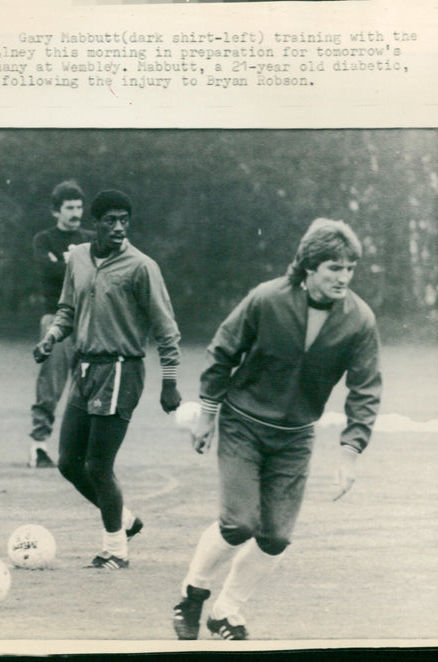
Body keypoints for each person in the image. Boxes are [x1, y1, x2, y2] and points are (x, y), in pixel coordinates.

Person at [172, 218, 382, 640]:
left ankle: (226, 611)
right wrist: (207, 415)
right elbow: (222, 351)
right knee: (238, 524)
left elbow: (365, 389)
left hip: (296, 436)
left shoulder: (359, 320)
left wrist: (350, 451)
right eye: (333, 268)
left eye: (349, 269)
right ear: (309, 266)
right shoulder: (267, 299)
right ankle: (192, 595)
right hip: (242, 425)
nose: (343, 277)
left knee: (276, 537)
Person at [33, 189, 183, 568]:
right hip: (84, 368)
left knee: (98, 465)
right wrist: (51, 338)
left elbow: (166, 329)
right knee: (69, 463)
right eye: (110, 220)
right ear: (95, 224)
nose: (118, 228)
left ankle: (115, 550)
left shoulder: (141, 267)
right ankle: (126, 520)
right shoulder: (79, 258)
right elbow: (67, 307)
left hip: (121, 369)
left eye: (124, 220)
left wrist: (170, 381)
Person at [29, 180, 94, 468]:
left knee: (90, 384)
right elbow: (51, 273)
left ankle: (83, 449)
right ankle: (39, 446)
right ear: (56, 211)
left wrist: (67, 267)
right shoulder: (44, 239)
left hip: (90, 320)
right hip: (56, 318)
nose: (75, 213)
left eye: (79, 207)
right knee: (51, 385)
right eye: (69, 207)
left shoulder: (93, 238)